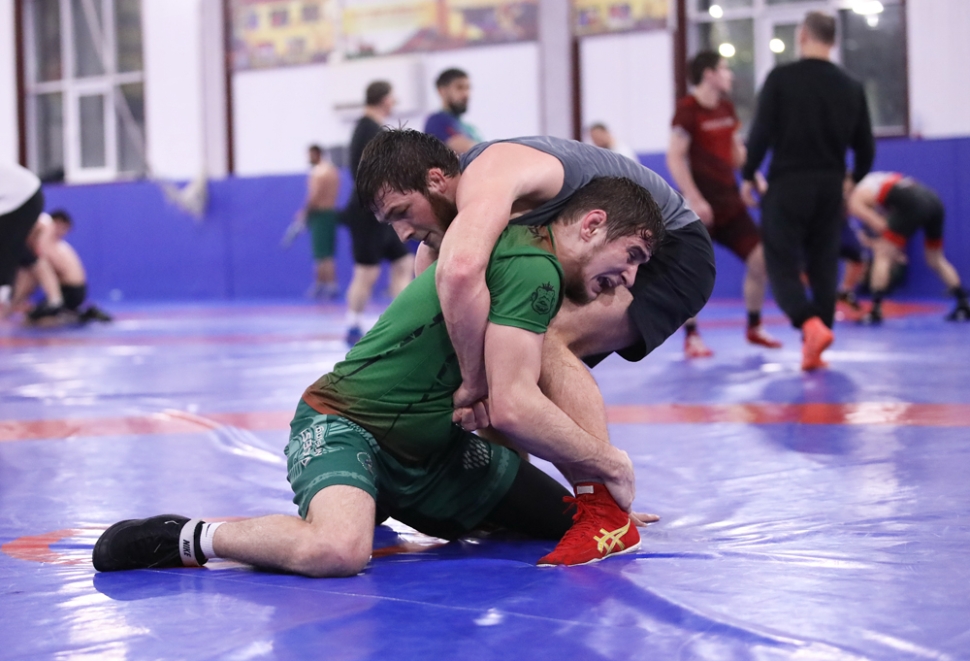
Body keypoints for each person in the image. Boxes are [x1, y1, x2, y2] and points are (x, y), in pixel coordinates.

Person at [92, 173, 665, 576]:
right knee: (337, 550)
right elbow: (514, 407)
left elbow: (504, 405)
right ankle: (187, 536)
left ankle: (376, 497)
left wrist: (593, 497)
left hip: (434, 451)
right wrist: (608, 464)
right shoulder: (534, 266)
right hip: (348, 425)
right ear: (592, 225)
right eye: (633, 256)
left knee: (562, 522)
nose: (629, 279)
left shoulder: (521, 252)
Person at [356, 131, 714, 560]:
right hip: (612, 239)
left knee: (542, 338)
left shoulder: (487, 174)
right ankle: (507, 496)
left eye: (402, 212)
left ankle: (606, 512)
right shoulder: (437, 246)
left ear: (436, 180)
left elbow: (462, 270)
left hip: (663, 245)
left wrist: (473, 380)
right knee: (499, 351)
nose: (402, 233)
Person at [741, 11, 875, 371]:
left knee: (781, 262)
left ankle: (808, 323)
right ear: (833, 40)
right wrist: (851, 180)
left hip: (788, 184)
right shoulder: (851, 86)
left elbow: (760, 134)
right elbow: (866, 149)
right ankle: (815, 346)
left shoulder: (781, 79)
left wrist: (749, 175)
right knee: (824, 265)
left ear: (802, 35)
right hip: (830, 187)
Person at [667, 50, 781, 358]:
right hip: (699, 209)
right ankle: (692, 337)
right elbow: (675, 156)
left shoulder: (726, 108)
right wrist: (694, 198)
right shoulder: (687, 111)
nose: (730, 74)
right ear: (709, 74)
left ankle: (754, 327)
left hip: (730, 204)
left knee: (761, 260)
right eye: (724, 69)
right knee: (692, 271)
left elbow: (736, 153)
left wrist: (755, 178)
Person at [342, 81, 414, 346]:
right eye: (392, 98)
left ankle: (403, 322)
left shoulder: (371, 128)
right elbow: (365, 174)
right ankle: (353, 324)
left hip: (382, 210)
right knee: (367, 272)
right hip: (368, 212)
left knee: (403, 262)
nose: (393, 103)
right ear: (384, 100)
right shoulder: (368, 130)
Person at [847, 171, 970, 324]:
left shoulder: (857, 196)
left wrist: (876, 243)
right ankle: (963, 302)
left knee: (883, 253)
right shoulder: (875, 178)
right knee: (935, 257)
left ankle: (875, 311)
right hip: (933, 200)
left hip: (912, 203)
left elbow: (881, 225)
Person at [12, 209, 111, 323]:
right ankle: (78, 313)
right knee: (36, 314)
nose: (62, 232)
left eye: (65, 229)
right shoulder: (53, 246)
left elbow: (48, 272)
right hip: (71, 290)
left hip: (71, 291)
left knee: (36, 319)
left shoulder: (52, 248)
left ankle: (81, 314)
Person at [1, 163, 52, 316]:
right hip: (22, 197)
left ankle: (4, 302)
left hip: (24, 198)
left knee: (7, 251)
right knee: (19, 253)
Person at [299, 145, 341, 300]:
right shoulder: (332, 171)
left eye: (310, 155)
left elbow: (314, 195)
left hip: (320, 214)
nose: (308, 159)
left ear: (317, 154)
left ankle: (328, 284)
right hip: (330, 213)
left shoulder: (318, 173)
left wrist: (305, 212)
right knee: (326, 251)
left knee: (321, 253)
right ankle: (323, 283)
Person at [424, 68, 481, 154]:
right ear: (442, 91)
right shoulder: (437, 121)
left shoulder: (470, 128)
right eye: (459, 88)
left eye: (468, 88)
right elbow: (466, 148)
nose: (466, 94)